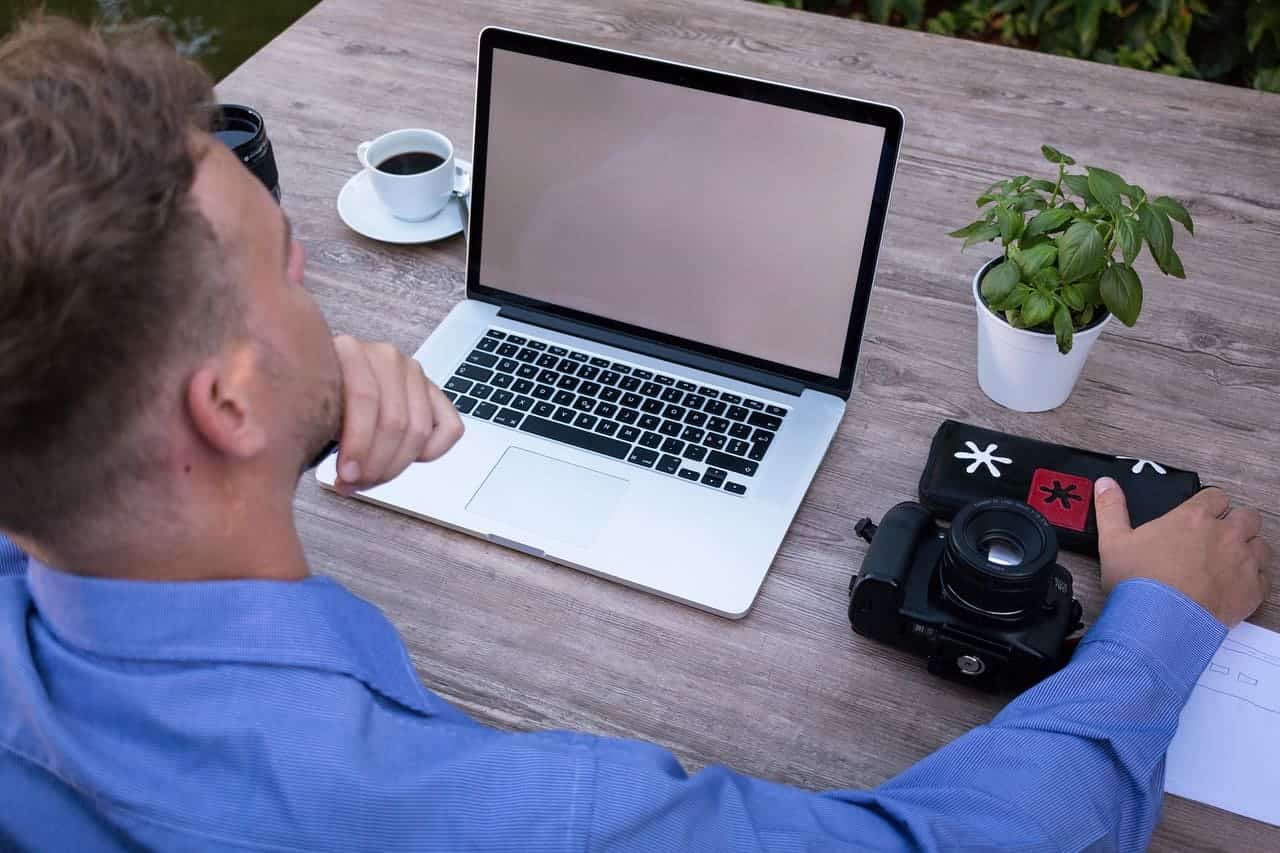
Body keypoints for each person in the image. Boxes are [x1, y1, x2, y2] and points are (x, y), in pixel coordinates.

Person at [0, 15, 1272, 853]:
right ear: (218, 404)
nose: (317, 299)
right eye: (289, 265)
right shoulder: (525, 816)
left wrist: (291, 391)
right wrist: (1159, 629)